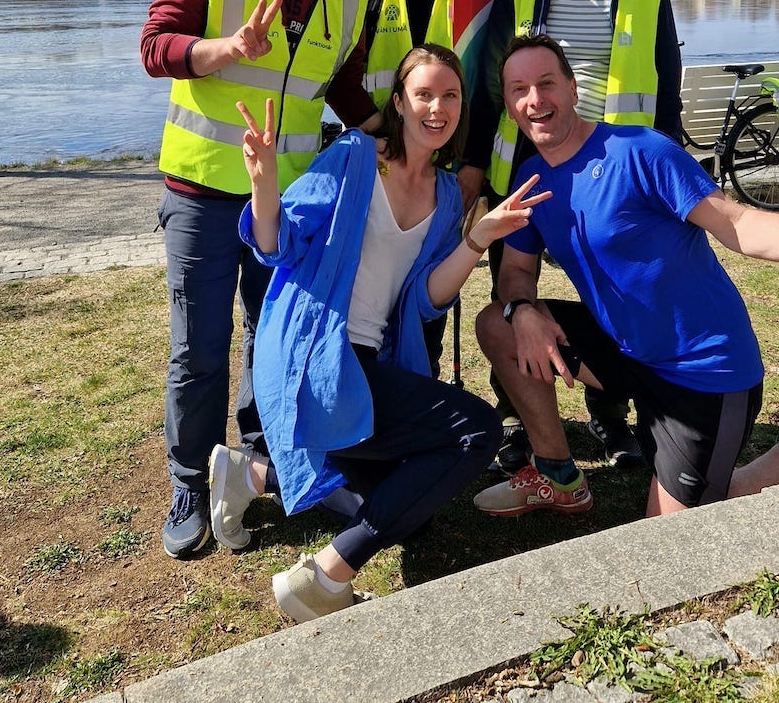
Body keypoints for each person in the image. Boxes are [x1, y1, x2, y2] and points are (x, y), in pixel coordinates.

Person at [472, 35, 779, 520]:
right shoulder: (533, 180)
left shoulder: (638, 151)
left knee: (668, 533)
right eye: (519, 89)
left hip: (704, 374)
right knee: (496, 322)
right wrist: (522, 310)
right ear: (511, 107)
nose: (535, 99)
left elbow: (736, 223)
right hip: (626, 355)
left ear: (574, 88)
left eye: (546, 83)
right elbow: (517, 270)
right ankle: (559, 477)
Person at [205, 45, 547, 623]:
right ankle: (324, 577)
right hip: (316, 355)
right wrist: (264, 183)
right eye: (424, 94)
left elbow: (424, 300)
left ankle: (252, 473)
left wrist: (476, 239)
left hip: (368, 362)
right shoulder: (354, 157)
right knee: (476, 431)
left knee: (416, 508)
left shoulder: (443, 196)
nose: (437, 108)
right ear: (399, 101)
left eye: (450, 96)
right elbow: (277, 245)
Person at [140, 0, 382, 558]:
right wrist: (224, 48)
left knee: (274, 338)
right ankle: (189, 478)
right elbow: (156, 45)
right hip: (203, 191)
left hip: (288, 201)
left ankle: (257, 462)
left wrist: (402, 134)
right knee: (199, 347)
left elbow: (338, 88)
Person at [458, 0, 683, 470]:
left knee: (619, 291)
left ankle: (614, 419)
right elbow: (489, 78)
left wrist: (667, 160)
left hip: (618, 169)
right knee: (513, 293)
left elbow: (666, 76)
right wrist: (476, 163)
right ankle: (518, 416)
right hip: (528, 166)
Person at [355, 0, 455, 373]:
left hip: (444, 173)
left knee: (427, 300)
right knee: (371, 294)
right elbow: (337, 71)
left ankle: (423, 396)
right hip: (380, 169)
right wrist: (374, 129)